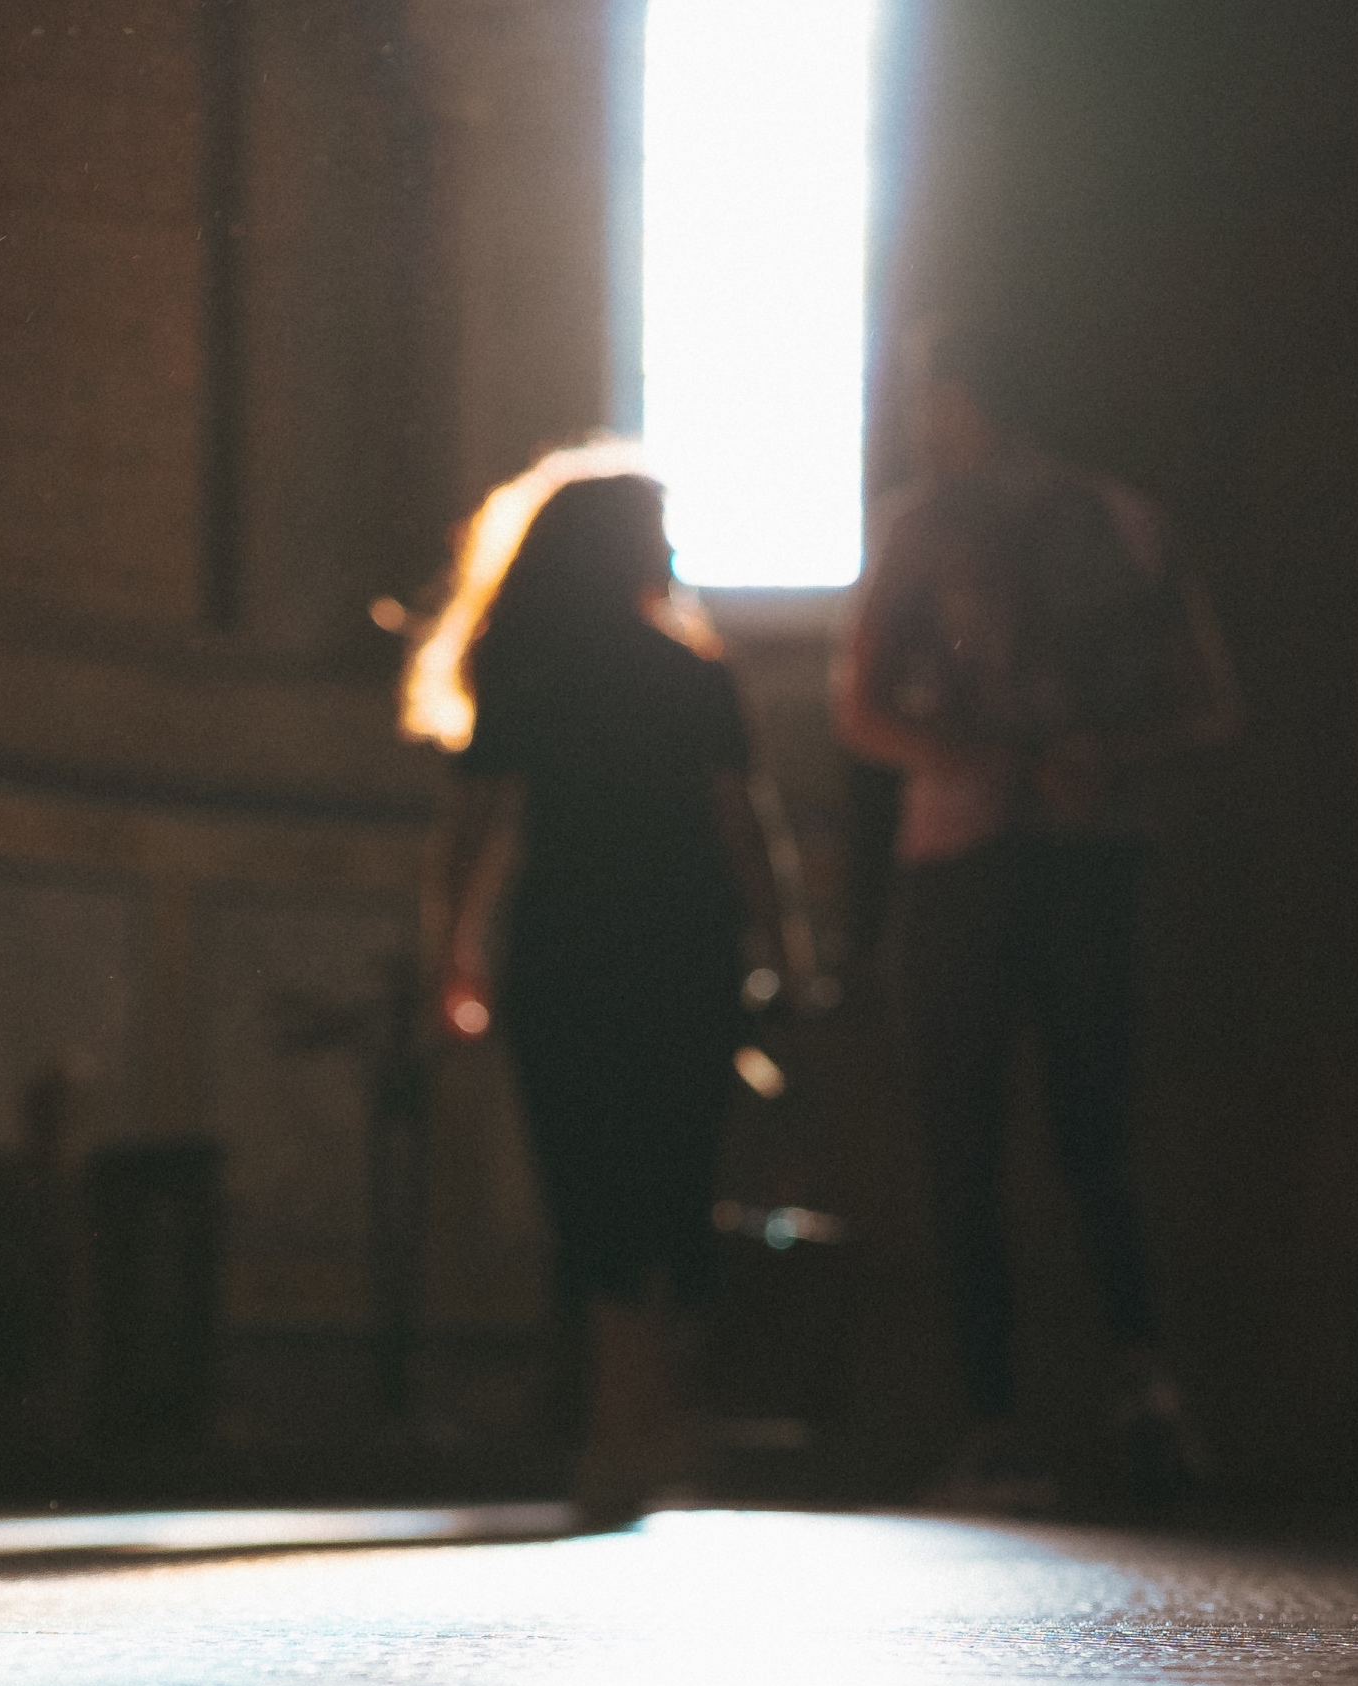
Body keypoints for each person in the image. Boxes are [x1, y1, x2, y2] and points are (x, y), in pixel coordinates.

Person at [835, 319, 1244, 1513]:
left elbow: (861, 707)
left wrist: (979, 760)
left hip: (968, 863)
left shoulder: (926, 525)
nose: (917, 422)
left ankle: (1001, 1424)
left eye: (927, 397)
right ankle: (1138, 1390)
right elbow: (1213, 703)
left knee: (965, 1141)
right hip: (1091, 855)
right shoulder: (1125, 521)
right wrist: (1097, 755)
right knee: (1093, 1135)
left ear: (966, 400)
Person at [403, 448, 816, 1524]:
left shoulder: (524, 667)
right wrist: (786, 947)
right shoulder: (686, 674)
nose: (675, 551)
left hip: (567, 950)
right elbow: (745, 829)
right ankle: (639, 1418)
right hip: (680, 948)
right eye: (660, 530)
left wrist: (453, 955)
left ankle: (626, 1423)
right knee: (664, 1177)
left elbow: (471, 836)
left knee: (590, 1184)